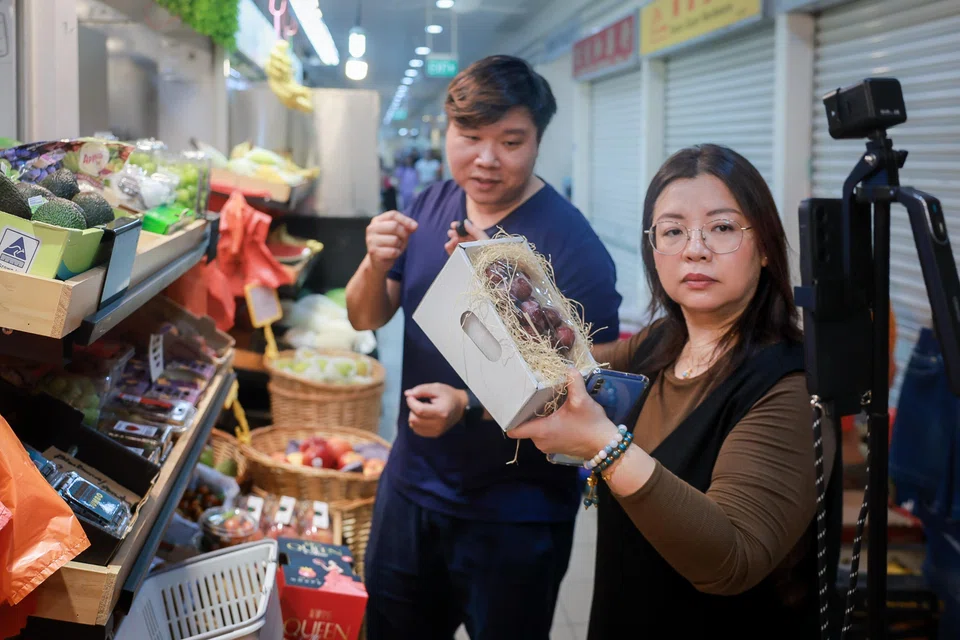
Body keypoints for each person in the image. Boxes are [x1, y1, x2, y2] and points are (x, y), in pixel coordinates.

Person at [508, 144, 841, 638]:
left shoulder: (791, 388)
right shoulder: (663, 343)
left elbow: (733, 558)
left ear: (766, 246)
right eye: (673, 231)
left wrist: (606, 448)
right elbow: (566, 367)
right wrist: (502, 287)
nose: (695, 248)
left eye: (723, 228)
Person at [345, 55, 622, 639]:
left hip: (516, 513)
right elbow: (366, 314)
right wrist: (374, 259)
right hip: (411, 487)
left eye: (511, 140)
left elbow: (589, 387)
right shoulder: (430, 205)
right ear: (448, 132)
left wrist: (467, 404)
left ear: (538, 140)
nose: (487, 158)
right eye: (470, 137)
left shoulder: (572, 248)